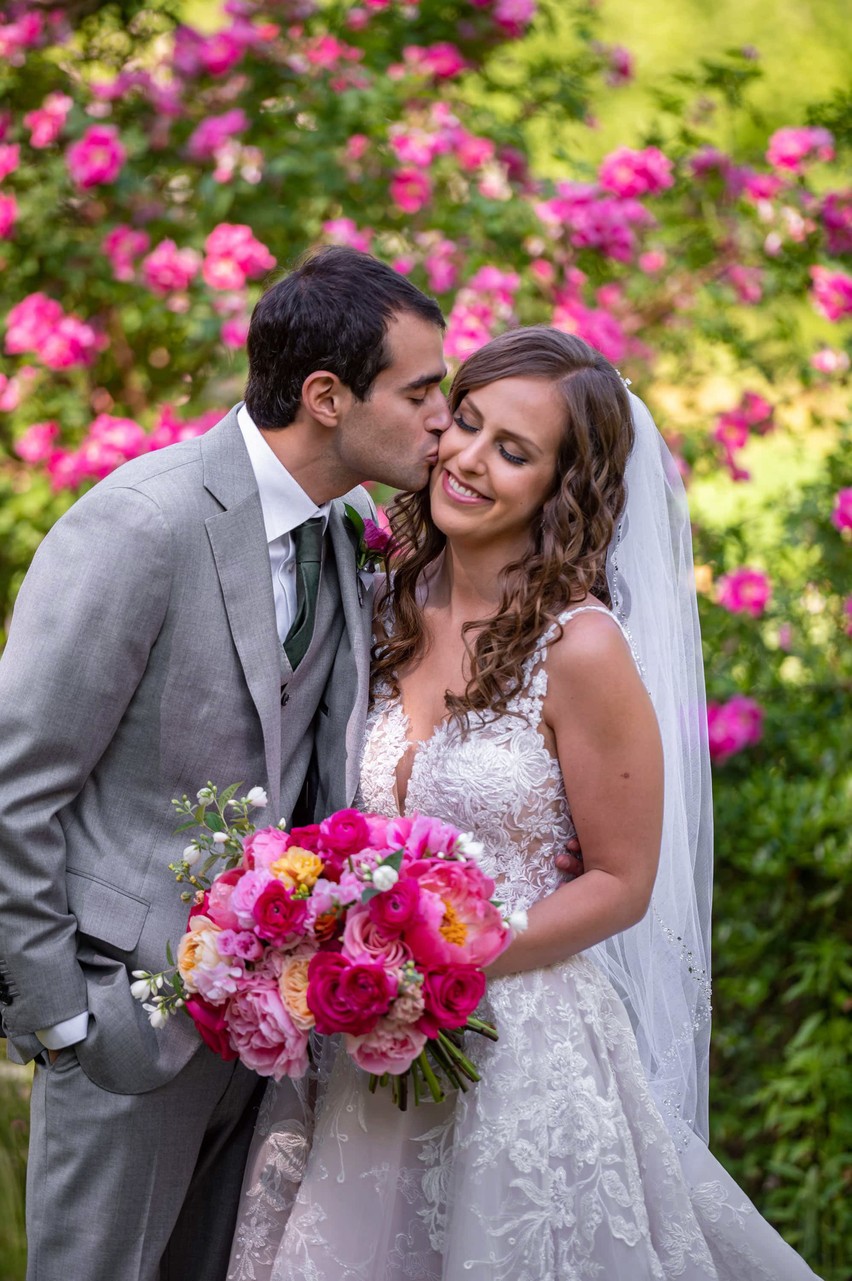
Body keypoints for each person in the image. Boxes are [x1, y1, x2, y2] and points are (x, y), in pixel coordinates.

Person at [229, 326, 822, 1280]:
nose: (466, 459)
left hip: (520, 1052)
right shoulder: (381, 601)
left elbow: (623, 882)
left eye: (513, 451)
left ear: (561, 487)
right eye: (465, 423)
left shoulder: (581, 649)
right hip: (365, 1054)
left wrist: (446, 963)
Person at [0, 245, 453, 1281]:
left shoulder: (343, 533)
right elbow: (14, 786)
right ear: (328, 396)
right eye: (422, 391)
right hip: (126, 1029)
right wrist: (65, 1017)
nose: (443, 418)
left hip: (271, 1042)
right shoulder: (141, 524)